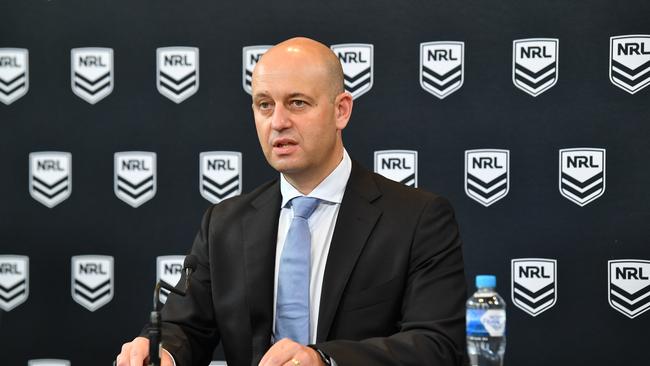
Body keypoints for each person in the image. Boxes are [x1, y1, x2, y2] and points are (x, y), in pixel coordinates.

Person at [117, 37, 467, 366]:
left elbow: (437, 344)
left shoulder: (417, 218)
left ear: (341, 111)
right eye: (264, 105)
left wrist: (324, 359)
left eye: (297, 103)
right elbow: (185, 328)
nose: (278, 122)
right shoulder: (224, 223)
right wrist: (161, 351)